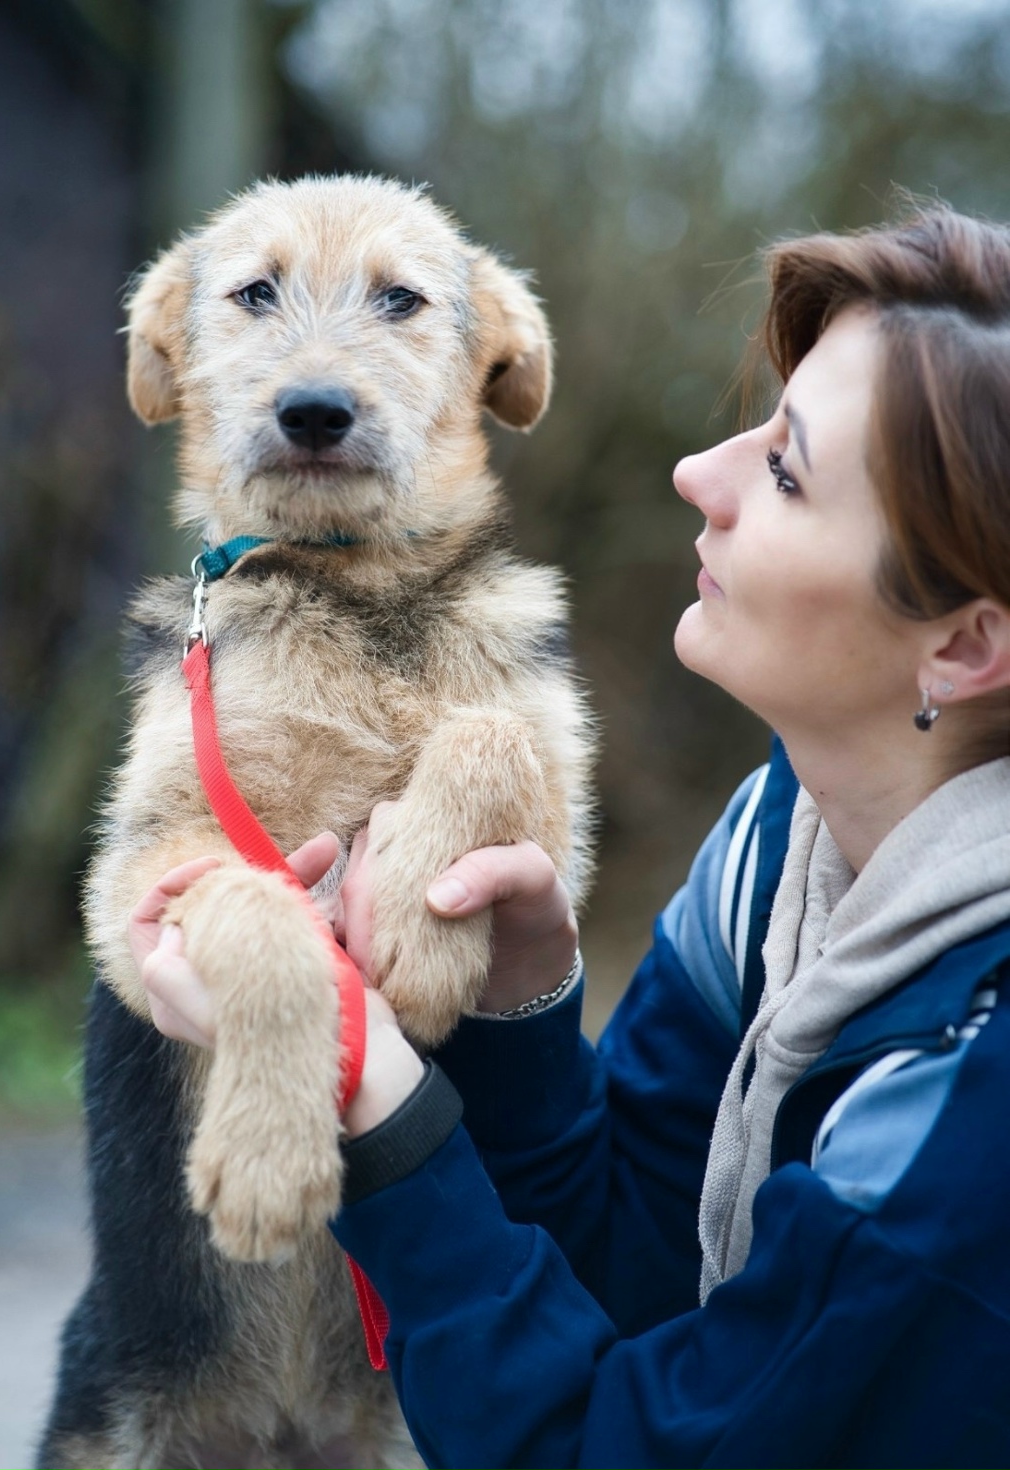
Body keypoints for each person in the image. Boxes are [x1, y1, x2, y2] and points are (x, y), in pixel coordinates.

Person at [134, 206, 1010, 1468]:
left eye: (786, 471)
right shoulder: (781, 846)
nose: (697, 474)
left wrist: (373, 1099)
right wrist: (523, 1008)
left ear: (964, 646)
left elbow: (624, 1448)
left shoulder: (974, 1100)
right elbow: (635, 1267)